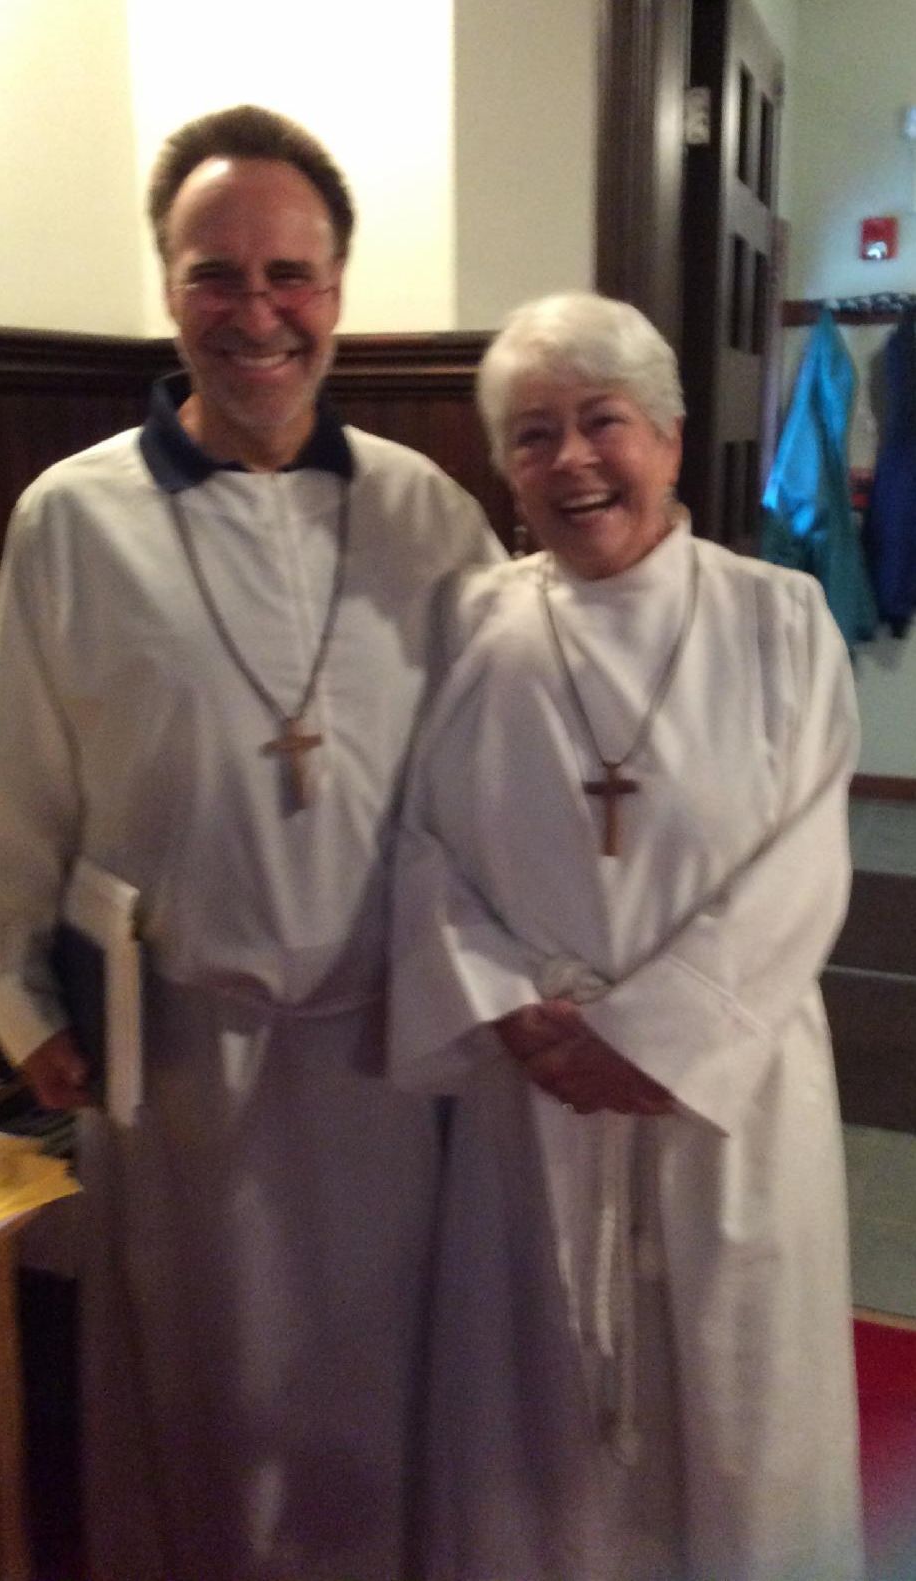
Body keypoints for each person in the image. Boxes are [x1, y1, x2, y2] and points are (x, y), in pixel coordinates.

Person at [0, 104, 500, 1581]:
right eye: (215, 275)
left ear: (338, 289)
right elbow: (14, 787)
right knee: (199, 1406)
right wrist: (21, 1002)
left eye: (289, 274)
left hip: (389, 1060)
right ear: (168, 286)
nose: (256, 314)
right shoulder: (72, 519)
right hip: (177, 1060)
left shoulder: (430, 514)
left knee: (384, 1396)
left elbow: (499, 779)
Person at [390, 291, 864, 1581]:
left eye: (603, 422)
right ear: (504, 469)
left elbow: (807, 860)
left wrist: (653, 1037)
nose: (573, 461)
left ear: (667, 435)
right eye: (533, 434)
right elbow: (422, 847)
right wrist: (506, 1003)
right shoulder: (471, 624)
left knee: (740, 1419)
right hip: (535, 1084)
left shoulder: (780, 619)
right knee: (532, 1435)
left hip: (726, 1096)